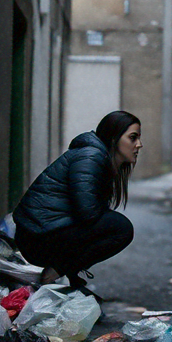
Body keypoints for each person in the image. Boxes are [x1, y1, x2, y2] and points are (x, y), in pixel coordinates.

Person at [13, 110, 142, 294]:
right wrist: (64, 265)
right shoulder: (91, 157)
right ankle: (56, 270)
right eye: (133, 138)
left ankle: (66, 273)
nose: (139, 144)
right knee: (121, 228)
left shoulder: (99, 158)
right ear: (114, 138)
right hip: (35, 237)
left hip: (42, 231)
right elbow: (87, 213)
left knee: (112, 223)